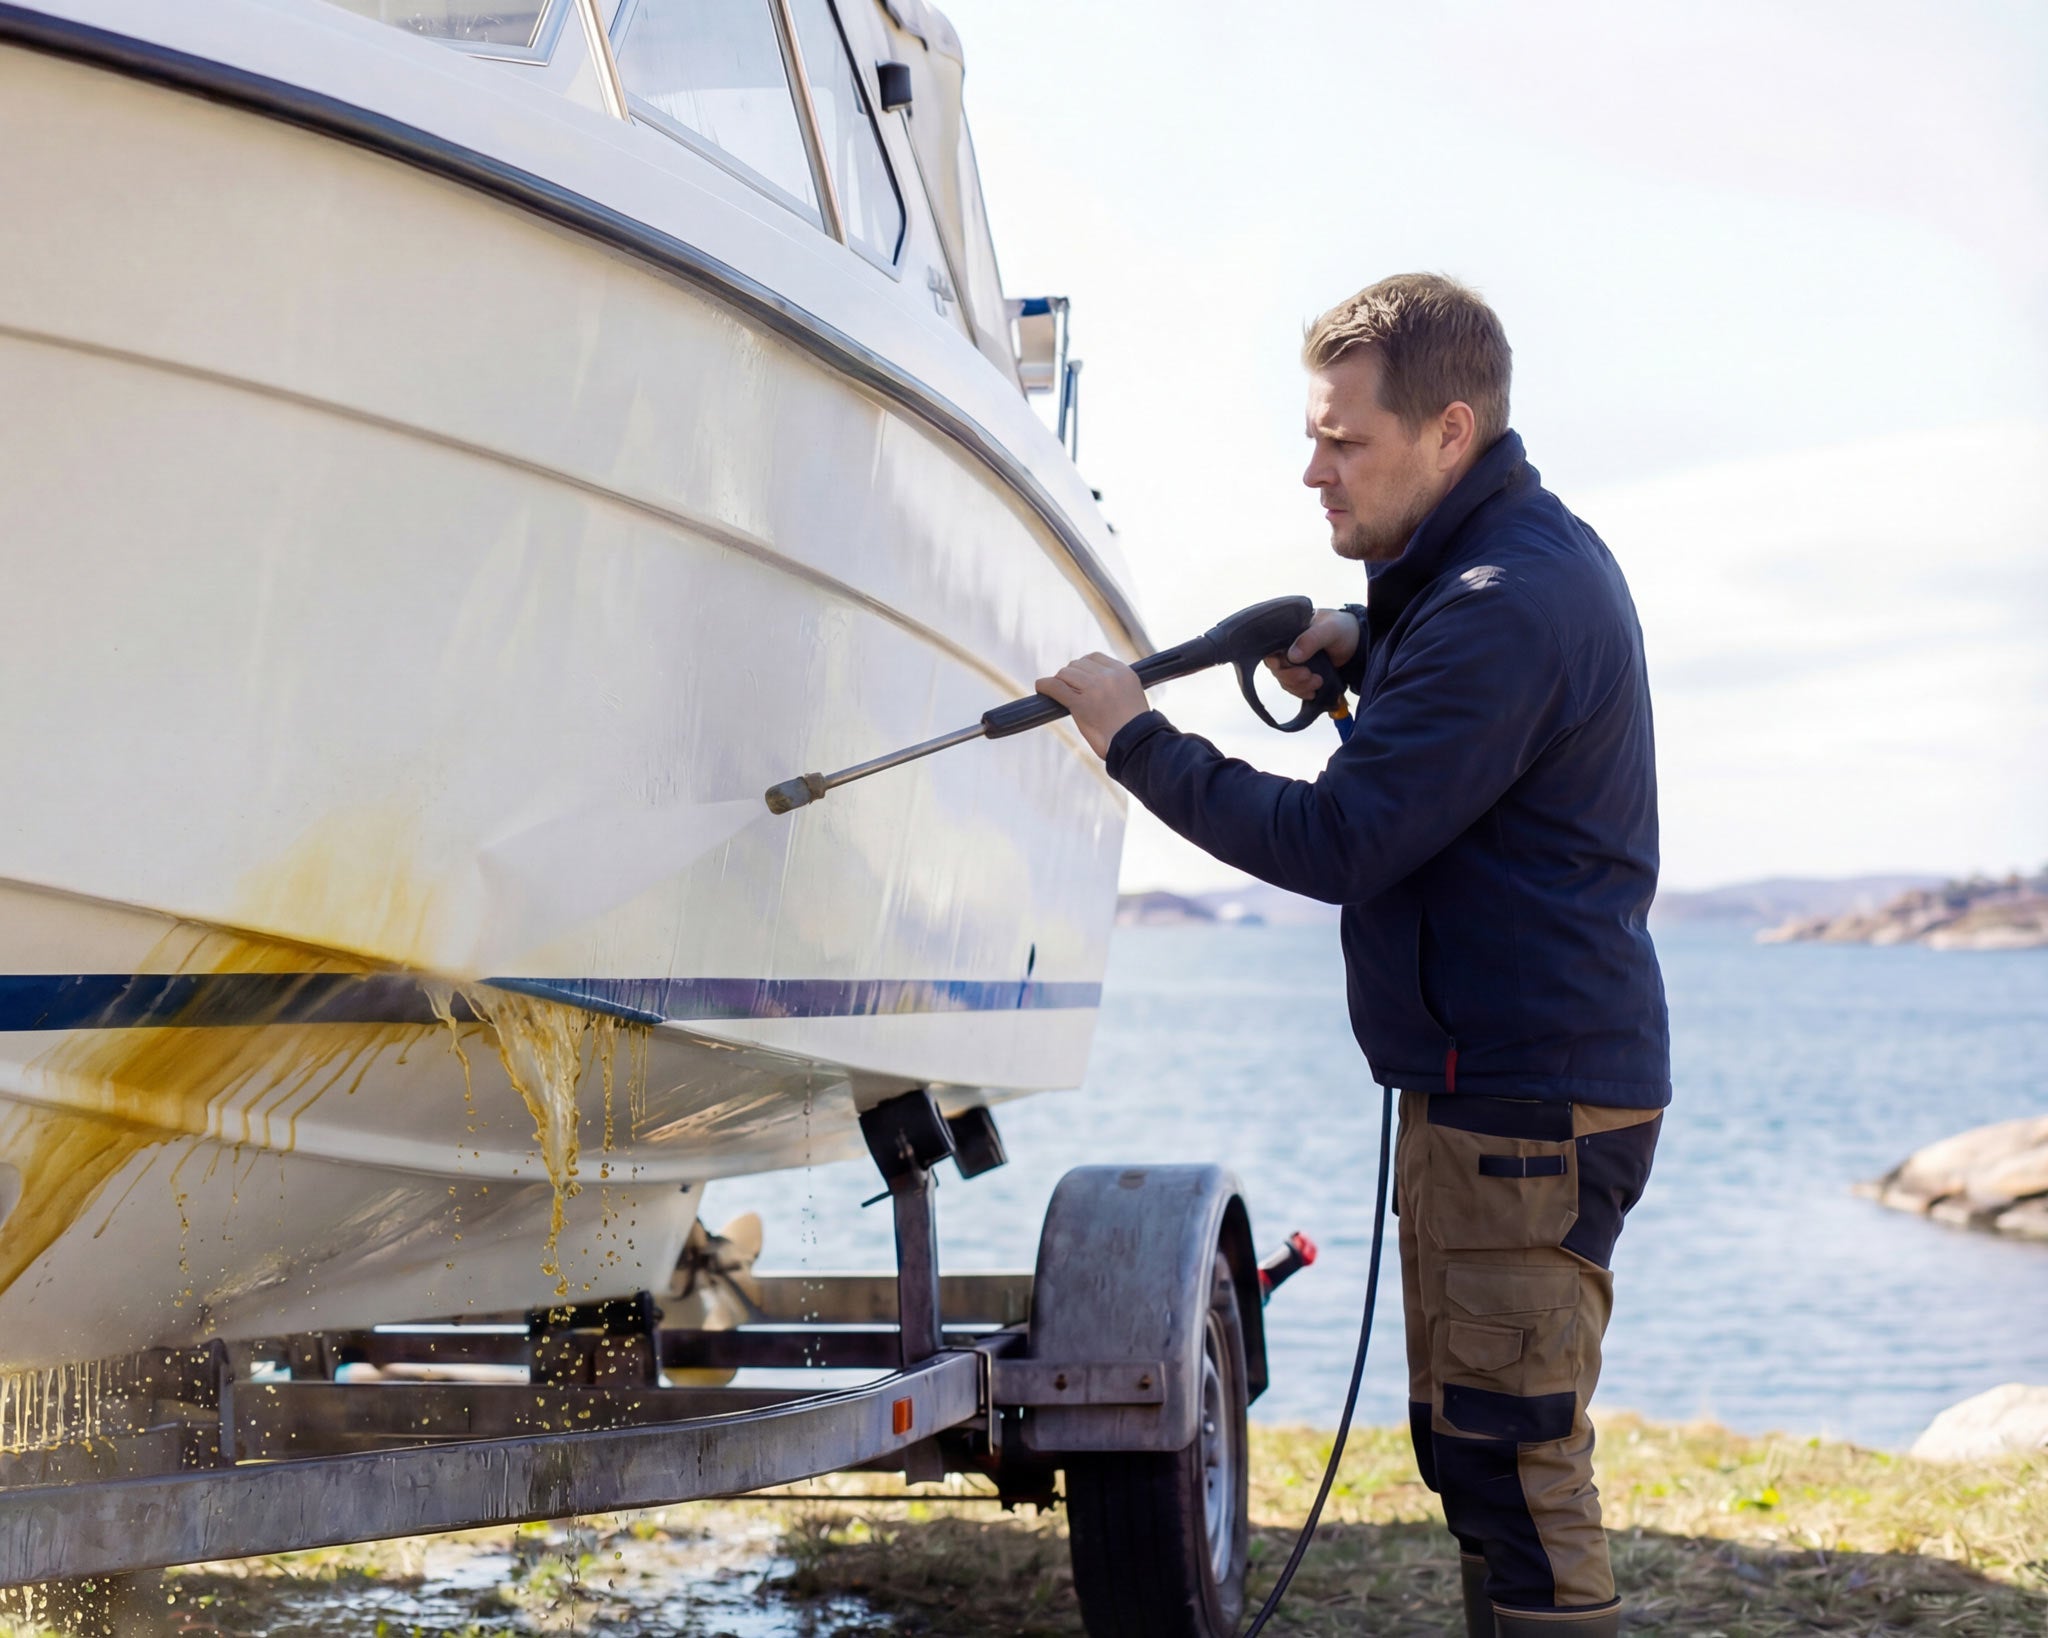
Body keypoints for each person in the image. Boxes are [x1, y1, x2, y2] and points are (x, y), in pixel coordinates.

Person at [1035, 273, 1668, 1638]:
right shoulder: (1480, 581)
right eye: (1313, 435)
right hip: (1495, 1090)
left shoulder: (1503, 602)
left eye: (1345, 441)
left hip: (1527, 1105)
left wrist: (1134, 739)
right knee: (1469, 1450)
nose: (1311, 470)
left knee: (1513, 1457)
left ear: (1449, 433)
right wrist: (1361, 645)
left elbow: (1340, 841)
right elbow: (1440, 694)